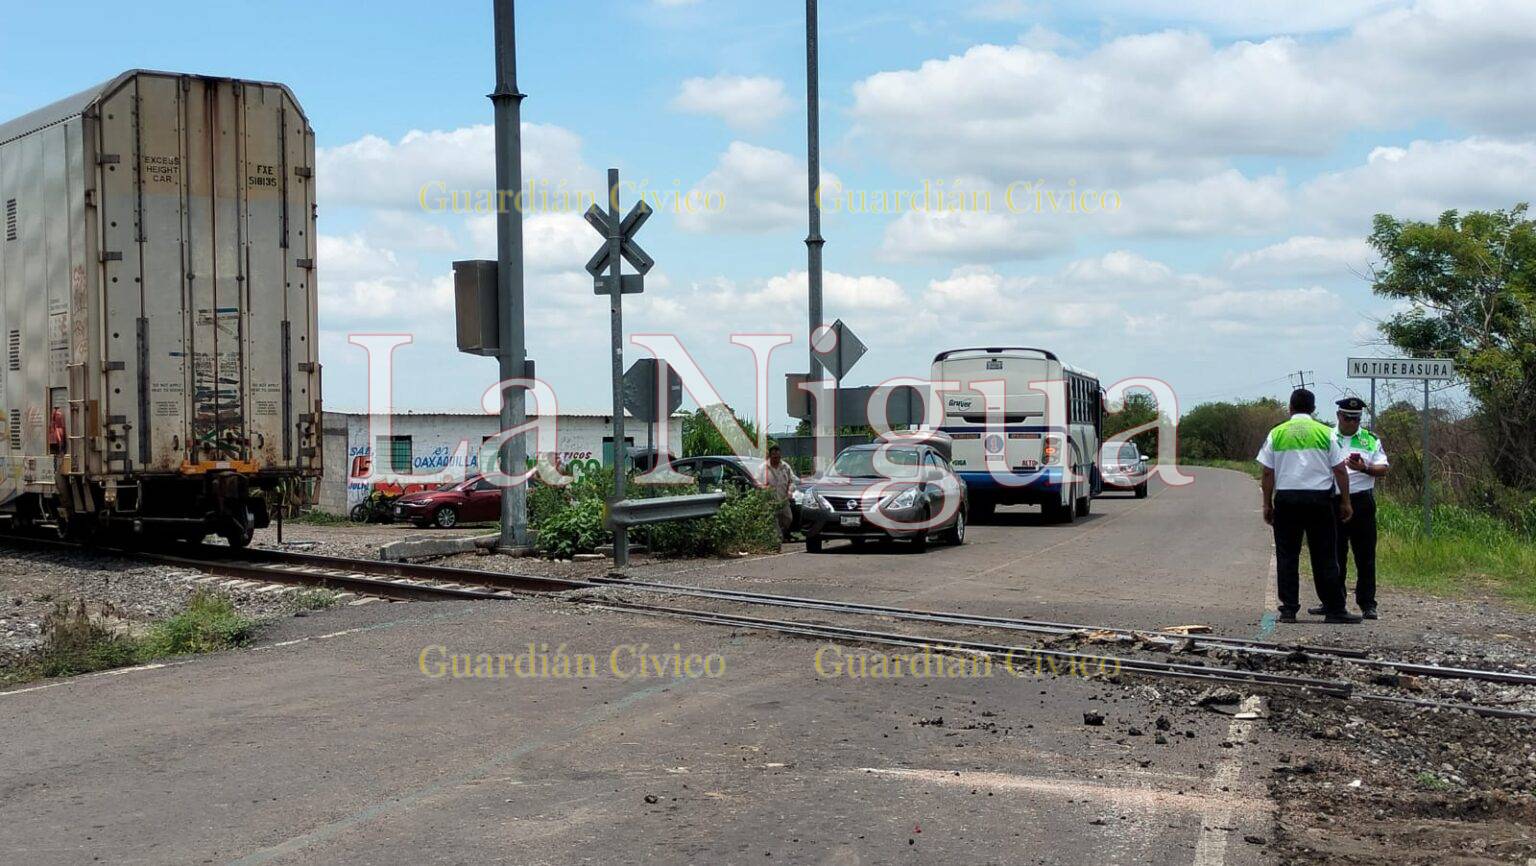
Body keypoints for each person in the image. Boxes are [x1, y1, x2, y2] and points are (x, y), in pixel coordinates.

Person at [1256, 389, 1360, 624]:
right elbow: (1340, 470)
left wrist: (1267, 503)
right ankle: (1334, 609)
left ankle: (1289, 610)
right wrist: (1345, 501)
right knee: (1325, 555)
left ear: (1290, 408)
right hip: (1319, 501)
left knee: (1287, 555)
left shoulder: (1277, 433)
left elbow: (1267, 472)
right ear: (1313, 409)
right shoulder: (1325, 433)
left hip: (1287, 500)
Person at [1308, 397, 1389, 620]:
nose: (1352, 422)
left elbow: (1383, 468)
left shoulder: (1369, 439)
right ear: (1338, 416)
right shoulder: (1326, 437)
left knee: (1365, 555)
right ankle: (1333, 602)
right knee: (1334, 554)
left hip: (1361, 501)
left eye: (1357, 418)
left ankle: (1367, 603)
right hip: (1332, 501)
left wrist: (1365, 468)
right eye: (1348, 417)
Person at [764, 445, 798, 541]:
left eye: (778, 457)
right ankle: (777, 539)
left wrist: (790, 490)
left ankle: (782, 533)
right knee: (774, 520)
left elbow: (793, 480)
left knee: (788, 518)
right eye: (774, 457)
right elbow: (757, 482)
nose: (777, 459)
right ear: (770, 456)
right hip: (770, 501)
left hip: (783, 499)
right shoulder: (763, 468)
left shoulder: (785, 467)